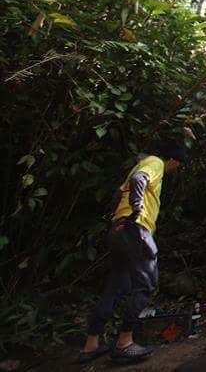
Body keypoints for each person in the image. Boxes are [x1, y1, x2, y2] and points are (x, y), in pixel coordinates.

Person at [76, 138, 187, 364]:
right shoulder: (155, 163)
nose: (178, 169)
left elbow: (118, 194)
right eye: (179, 164)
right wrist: (137, 209)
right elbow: (139, 180)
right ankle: (125, 342)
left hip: (119, 229)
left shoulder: (139, 163)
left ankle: (91, 344)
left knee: (117, 285)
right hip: (136, 228)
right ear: (174, 160)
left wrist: (119, 217)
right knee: (147, 284)